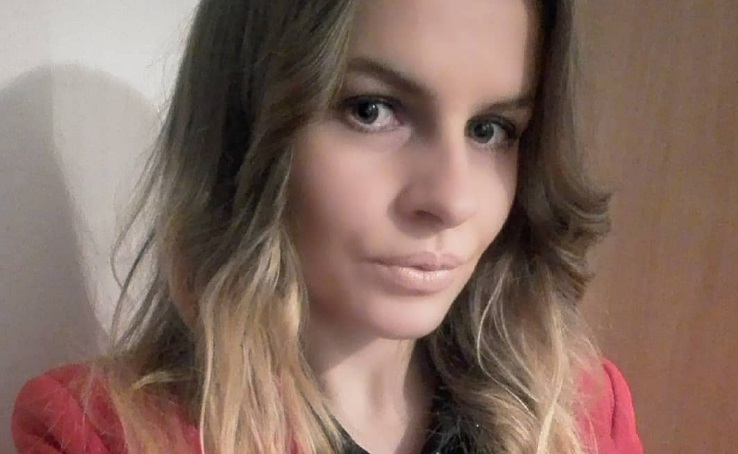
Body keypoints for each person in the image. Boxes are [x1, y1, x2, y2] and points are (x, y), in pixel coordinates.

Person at [12, 0, 643, 453]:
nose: (453, 199)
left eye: (490, 129)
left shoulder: (582, 415)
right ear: (245, 130)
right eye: (372, 110)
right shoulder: (101, 434)